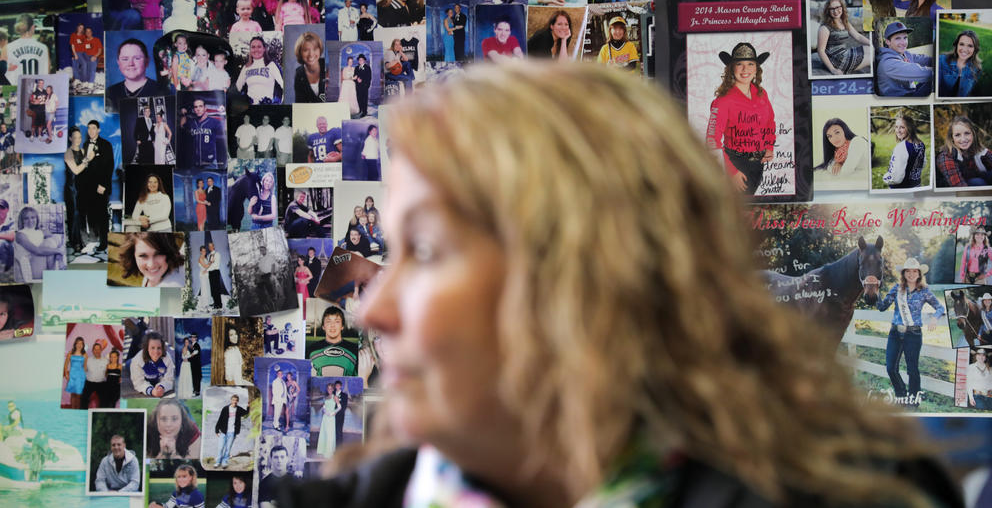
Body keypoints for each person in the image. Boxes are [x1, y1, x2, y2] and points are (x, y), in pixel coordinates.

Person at [279, 63, 961, 508]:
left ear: (585, 269)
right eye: (386, 253)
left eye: (423, 249)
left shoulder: (864, 495)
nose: (372, 308)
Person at [706, 42, 775, 195]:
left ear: (756, 68)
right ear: (732, 68)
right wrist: (731, 172)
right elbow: (712, 140)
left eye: (750, 64)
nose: (745, 69)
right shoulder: (723, 101)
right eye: (739, 64)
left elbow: (770, 122)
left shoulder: (761, 94)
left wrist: (769, 145)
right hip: (735, 164)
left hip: (758, 163)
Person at [877, 258, 945, 404]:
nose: (911, 274)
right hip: (895, 333)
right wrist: (875, 290)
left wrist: (934, 318)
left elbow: (940, 308)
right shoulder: (896, 288)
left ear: (919, 274)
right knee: (890, 368)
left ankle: (913, 400)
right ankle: (902, 394)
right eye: (908, 271)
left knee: (912, 369)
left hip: (913, 334)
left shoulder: (924, 291)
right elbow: (882, 307)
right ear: (904, 273)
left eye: (914, 271)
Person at [106, 39, 167, 112]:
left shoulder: (162, 91)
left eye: (137, 58)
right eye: (125, 59)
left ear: (147, 62)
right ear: (118, 63)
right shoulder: (110, 92)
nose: (131, 64)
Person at [876, 21, 933, 97]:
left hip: (911, 92)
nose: (903, 42)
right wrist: (943, 70)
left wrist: (943, 61)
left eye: (905, 38)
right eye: (898, 38)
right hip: (900, 100)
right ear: (888, 42)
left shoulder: (904, 54)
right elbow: (923, 73)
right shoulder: (888, 62)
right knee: (937, 79)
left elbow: (924, 59)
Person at [80, 120, 113, 251]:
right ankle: (94, 240)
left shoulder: (106, 144)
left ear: (98, 130)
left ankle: (104, 242)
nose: (91, 131)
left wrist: (103, 185)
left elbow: (109, 166)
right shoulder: (86, 144)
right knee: (92, 214)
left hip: (101, 186)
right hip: (89, 186)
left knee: (102, 215)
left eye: (93, 128)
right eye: (89, 128)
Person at [817, 0, 872, 75]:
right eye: (832, 9)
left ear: (842, 8)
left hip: (845, 53)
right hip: (836, 60)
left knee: (871, 49)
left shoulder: (844, 22)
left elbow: (857, 36)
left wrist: (872, 44)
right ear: (828, 11)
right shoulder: (824, 28)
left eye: (838, 7)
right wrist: (833, 70)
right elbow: (821, 51)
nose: (835, 11)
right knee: (871, 58)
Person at [936, 115, 992, 188]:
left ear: (973, 134)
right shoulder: (946, 157)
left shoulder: (976, 149)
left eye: (967, 133)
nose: (963, 139)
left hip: (975, 178)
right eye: (957, 135)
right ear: (952, 138)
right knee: (978, 182)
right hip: (957, 188)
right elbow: (959, 187)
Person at [118, 232, 184, 287]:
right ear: (133, 256)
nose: (151, 265)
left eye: (158, 254)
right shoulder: (153, 276)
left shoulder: (173, 285)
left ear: (168, 252)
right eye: (143, 256)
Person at [307, 305, 358, 376]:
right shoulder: (311, 350)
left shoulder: (354, 350)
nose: (332, 325)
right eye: (328, 321)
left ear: (342, 326)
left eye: (337, 321)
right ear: (323, 326)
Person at [882, 113, 927, 189]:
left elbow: (896, 178)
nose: (898, 131)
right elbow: (923, 163)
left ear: (909, 128)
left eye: (902, 127)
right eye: (896, 127)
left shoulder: (901, 148)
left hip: (901, 190)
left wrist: (886, 178)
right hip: (916, 186)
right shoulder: (921, 144)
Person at [148, 395, 201, 459]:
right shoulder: (148, 431)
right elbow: (147, 462)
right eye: (163, 419)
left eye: (174, 419)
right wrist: (162, 453)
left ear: (182, 420)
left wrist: (173, 453)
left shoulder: (192, 430)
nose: (168, 424)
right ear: (156, 421)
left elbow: (193, 459)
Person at [181, 97, 226, 169]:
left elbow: (225, 129)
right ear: (194, 109)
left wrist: (224, 114)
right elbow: (182, 126)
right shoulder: (192, 123)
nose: (198, 109)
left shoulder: (214, 122)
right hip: (195, 163)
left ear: (205, 108)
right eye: (196, 107)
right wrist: (184, 114)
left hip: (210, 163)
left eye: (200, 106)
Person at [129, 330, 174, 397]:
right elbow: (138, 382)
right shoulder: (137, 360)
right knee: (128, 364)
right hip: (131, 364)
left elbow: (169, 379)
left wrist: (162, 387)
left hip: (156, 379)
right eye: (152, 348)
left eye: (159, 348)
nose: (156, 352)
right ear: (147, 348)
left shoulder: (167, 358)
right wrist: (151, 391)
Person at [938, 30, 982, 98]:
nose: (964, 49)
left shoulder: (977, 69)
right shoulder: (941, 60)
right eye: (961, 44)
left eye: (970, 46)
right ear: (956, 45)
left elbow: (967, 93)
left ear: (975, 49)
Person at [215, 393, 249, 468]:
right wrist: (216, 430)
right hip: (223, 431)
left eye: (236, 400)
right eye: (233, 400)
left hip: (232, 432)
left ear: (238, 401)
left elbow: (246, 413)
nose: (235, 401)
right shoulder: (225, 408)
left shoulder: (239, 409)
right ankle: (218, 462)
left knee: (228, 449)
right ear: (231, 400)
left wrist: (248, 407)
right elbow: (220, 419)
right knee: (220, 448)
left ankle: (224, 462)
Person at [293, 32, 325, 103]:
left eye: (315, 49)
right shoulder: (299, 73)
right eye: (305, 50)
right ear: (300, 52)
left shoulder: (327, 65)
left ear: (320, 50)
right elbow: (300, 103)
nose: (311, 54)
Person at [315, 383, 341, 458]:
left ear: (333, 389)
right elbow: (324, 406)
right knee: (324, 433)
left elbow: (339, 407)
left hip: (331, 417)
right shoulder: (326, 397)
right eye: (328, 388)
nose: (329, 390)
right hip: (325, 417)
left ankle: (329, 452)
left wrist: (333, 413)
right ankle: (323, 450)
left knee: (330, 434)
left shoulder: (335, 397)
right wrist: (324, 410)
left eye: (330, 388)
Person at [63, 336, 87, 408]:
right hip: (72, 375)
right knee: (73, 394)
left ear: (83, 345)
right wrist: (66, 374)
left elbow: (85, 367)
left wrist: (84, 377)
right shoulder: (70, 353)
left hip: (80, 376)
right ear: (75, 344)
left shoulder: (85, 354)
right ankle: (73, 409)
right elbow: (66, 364)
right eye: (78, 343)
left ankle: (78, 410)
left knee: (79, 395)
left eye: (81, 343)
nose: (79, 345)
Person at [269, 366, 288, 431]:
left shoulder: (282, 381)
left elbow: (284, 390)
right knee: (276, 412)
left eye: (281, 373)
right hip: (278, 400)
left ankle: (276, 422)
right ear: (277, 374)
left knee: (279, 412)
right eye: (279, 373)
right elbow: (274, 391)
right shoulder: (275, 381)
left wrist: (284, 399)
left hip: (282, 399)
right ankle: (275, 425)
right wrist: (278, 400)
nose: (280, 375)